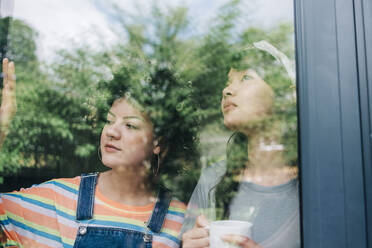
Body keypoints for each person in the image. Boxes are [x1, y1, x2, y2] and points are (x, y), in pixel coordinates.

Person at [0, 58, 199, 248]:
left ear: (159, 143)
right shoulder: (55, 199)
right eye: (109, 120)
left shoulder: (183, 221)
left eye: (130, 125)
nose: (111, 131)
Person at [182, 48, 300, 248]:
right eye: (228, 83)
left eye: (246, 78)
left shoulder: (315, 184)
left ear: (283, 98)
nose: (226, 91)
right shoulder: (212, 180)